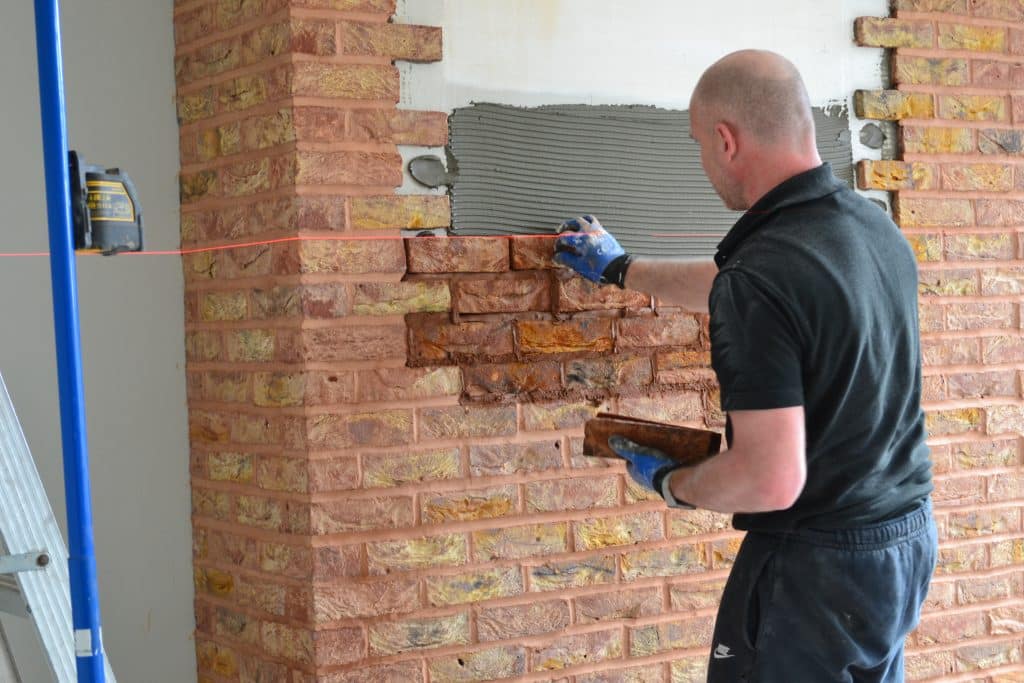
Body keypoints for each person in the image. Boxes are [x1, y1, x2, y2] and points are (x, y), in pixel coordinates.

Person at [554, 50, 936, 683]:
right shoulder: (873, 228)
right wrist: (622, 270)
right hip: (900, 546)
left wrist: (675, 484)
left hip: (815, 570)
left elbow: (770, 478)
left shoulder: (763, 275)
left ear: (727, 141)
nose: (703, 161)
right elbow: (744, 285)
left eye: (700, 144)